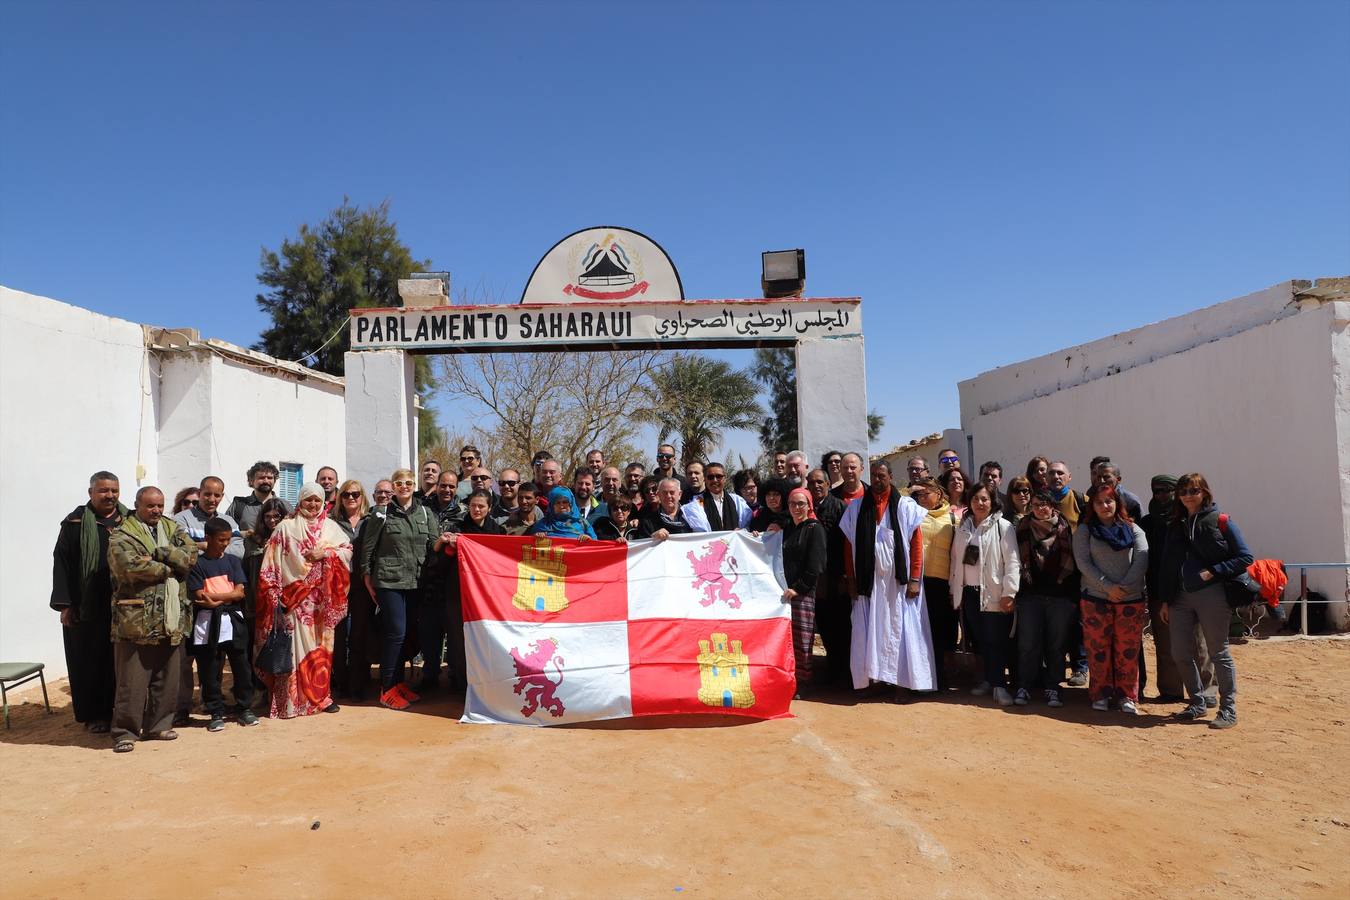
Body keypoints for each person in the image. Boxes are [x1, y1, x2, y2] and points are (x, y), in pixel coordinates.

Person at [107, 486, 198, 752]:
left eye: (159, 505)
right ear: (137, 505)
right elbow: (128, 567)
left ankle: (159, 725)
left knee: (167, 676)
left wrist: (159, 554)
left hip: (170, 617)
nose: (156, 510)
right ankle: (125, 731)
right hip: (136, 618)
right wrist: (172, 566)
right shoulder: (122, 534)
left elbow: (191, 556)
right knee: (132, 680)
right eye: (150, 506)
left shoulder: (172, 528)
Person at [1158, 473, 1252, 729]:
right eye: (1184, 491)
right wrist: (1166, 599)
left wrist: (1214, 570)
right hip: (1179, 596)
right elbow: (1168, 565)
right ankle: (1197, 702)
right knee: (1179, 652)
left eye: (1194, 490)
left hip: (1212, 594)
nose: (1188, 495)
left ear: (1204, 492)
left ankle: (1228, 709)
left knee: (1218, 652)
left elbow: (1245, 557)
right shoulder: (1175, 524)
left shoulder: (1221, 520)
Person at [255, 483, 352, 719]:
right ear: (300, 501)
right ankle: (289, 703)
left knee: (320, 652)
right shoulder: (285, 528)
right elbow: (271, 563)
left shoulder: (331, 528)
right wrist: (274, 594)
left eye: (317, 500)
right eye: (308, 499)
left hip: (322, 603)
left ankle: (320, 698)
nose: (313, 504)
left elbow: (347, 551)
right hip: (292, 601)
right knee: (293, 652)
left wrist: (326, 554)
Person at [838, 461, 933, 699]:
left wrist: (914, 579)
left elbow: (916, 544)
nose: (878, 480)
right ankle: (877, 679)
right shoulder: (857, 508)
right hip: (868, 585)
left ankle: (902, 682)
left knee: (901, 631)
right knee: (872, 631)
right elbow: (849, 546)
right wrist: (851, 578)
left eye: (882, 475)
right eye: (875, 476)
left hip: (898, 585)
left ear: (890, 476)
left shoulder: (905, 506)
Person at [50, 470, 126, 733]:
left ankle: (124, 711)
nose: (110, 495)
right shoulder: (74, 523)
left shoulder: (129, 521)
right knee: (90, 662)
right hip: (87, 606)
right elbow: (62, 565)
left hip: (125, 606)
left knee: (121, 662)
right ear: (91, 493)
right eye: (104, 490)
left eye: (114, 490)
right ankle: (96, 714)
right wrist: (65, 605)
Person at [359, 469, 438, 711]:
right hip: (388, 581)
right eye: (399, 483)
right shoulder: (381, 514)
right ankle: (387, 688)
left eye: (408, 483)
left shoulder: (425, 513)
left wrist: (446, 540)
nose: (404, 486)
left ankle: (399, 683)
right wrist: (366, 576)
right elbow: (368, 548)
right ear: (394, 486)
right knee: (395, 633)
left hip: (415, 581)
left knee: (406, 633)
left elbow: (433, 543)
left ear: (414, 485)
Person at [172, 475, 243, 724]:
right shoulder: (180, 520)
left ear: (222, 496)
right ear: (199, 493)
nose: (212, 499)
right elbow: (178, 551)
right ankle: (181, 707)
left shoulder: (229, 521)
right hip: (187, 600)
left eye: (217, 495)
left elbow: (238, 550)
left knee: (213, 656)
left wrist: (201, 546)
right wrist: (208, 546)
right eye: (207, 494)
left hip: (219, 603)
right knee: (185, 658)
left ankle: (210, 702)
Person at [1073, 484, 1148, 714]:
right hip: (1096, 600)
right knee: (1098, 650)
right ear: (1092, 506)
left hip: (1130, 599)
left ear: (1117, 503)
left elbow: (1142, 558)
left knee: (1127, 650)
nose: (1104, 506)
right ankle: (1101, 694)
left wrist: (1122, 588)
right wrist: (1108, 587)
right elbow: (1083, 563)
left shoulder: (1133, 528)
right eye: (1098, 502)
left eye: (1109, 501)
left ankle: (1127, 696)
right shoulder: (1085, 531)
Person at [948, 482, 1020, 706]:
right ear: (969, 501)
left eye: (985, 499)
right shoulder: (963, 527)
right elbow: (954, 561)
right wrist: (953, 590)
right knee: (980, 641)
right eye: (976, 499)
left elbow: (1013, 562)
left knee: (996, 640)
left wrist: (1010, 592)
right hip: (968, 593)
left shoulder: (1004, 527)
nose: (980, 503)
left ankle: (1000, 685)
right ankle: (989, 680)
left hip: (993, 593)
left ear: (992, 501)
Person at [1139, 474, 1208, 704]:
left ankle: (1206, 691)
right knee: (1165, 643)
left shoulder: (1188, 519)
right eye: (1156, 491)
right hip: (1160, 590)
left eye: (1165, 491)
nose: (1160, 496)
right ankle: (1171, 691)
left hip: (1191, 590)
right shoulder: (1147, 523)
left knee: (1197, 643)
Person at [186, 517, 258, 731]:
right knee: (209, 669)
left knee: (241, 667)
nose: (225, 544)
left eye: (228, 539)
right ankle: (215, 711)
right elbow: (200, 595)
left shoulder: (233, 561)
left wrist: (218, 597)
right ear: (208, 538)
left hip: (233, 622)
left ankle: (244, 708)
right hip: (208, 625)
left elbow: (239, 592)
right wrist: (229, 595)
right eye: (221, 540)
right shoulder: (197, 564)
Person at [1014, 491, 1080, 708]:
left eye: (1044, 504)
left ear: (1053, 506)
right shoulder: (1021, 528)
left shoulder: (1067, 529)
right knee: (1027, 644)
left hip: (1060, 598)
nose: (1040, 508)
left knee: (1056, 645)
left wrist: (1072, 599)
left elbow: (1074, 565)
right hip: (1029, 596)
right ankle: (1024, 686)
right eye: (1035, 504)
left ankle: (1053, 687)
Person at [436, 489, 505, 689]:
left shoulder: (498, 533)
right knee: (458, 638)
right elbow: (440, 563)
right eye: (473, 505)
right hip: (457, 592)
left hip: (486, 595)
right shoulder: (458, 529)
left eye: (481, 506)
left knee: (485, 637)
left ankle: (486, 682)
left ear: (489, 508)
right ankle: (459, 681)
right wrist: (448, 545)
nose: (476, 509)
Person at [909, 476, 959, 692]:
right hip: (920, 583)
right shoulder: (915, 516)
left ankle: (941, 677)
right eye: (918, 494)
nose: (920, 497)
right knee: (920, 634)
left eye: (925, 493)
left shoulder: (953, 518)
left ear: (938, 494)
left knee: (941, 633)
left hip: (943, 583)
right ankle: (921, 679)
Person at [806, 469, 849, 688]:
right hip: (816, 581)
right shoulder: (804, 508)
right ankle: (832, 672)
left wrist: (845, 575)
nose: (816, 486)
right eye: (812, 483)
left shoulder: (840, 507)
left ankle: (845, 674)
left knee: (842, 628)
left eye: (820, 482)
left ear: (828, 484)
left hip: (837, 579)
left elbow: (847, 544)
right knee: (824, 628)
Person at [781, 487, 826, 698]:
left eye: (801, 504)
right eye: (793, 504)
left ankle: (804, 682)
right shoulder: (787, 528)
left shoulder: (814, 528)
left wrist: (798, 589)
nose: (797, 508)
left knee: (802, 639)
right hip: (785, 594)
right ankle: (788, 679)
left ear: (809, 506)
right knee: (787, 639)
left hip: (802, 593)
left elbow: (815, 565)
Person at [330, 481, 371, 700]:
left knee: (359, 634)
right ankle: (341, 682)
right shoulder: (332, 522)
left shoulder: (370, 521)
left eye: (355, 494)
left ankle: (357, 685)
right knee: (339, 634)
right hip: (338, 583)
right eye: (346, 494)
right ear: (340, 498)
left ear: (362, 496)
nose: (351, 498)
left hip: (362, 584)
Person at [241, 498, 287, 687]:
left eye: (276, 516)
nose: (272, 520)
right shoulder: (252, 541)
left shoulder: (290, 539)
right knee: (256, 647)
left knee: (279, 646)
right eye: (267, 516)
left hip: (282, 603)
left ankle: (278, 690)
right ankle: (257, 689)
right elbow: (245, 568)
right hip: (256, 602)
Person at [682, 462, 751, 532]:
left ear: (725, 478)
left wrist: (742, 531)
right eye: (710, 477)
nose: (715, 480)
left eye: (719, 476)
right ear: (705, 479)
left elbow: (748, 526)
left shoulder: (737, 501)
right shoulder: (697, 503)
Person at [227, 461, 289, 536]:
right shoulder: (239, 505)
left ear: (274, 481)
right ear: (251, 481)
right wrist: (241, 534)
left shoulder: (285, 505)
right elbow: (224, 530)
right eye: (261, 478)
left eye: (270, 478)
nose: (266, 481)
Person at [528, 486, 597, 539]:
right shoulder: (542, 525)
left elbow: (596, 548)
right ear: (552, 506)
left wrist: (588, 540)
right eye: (557, 503)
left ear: (571, 504)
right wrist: (536, 537)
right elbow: (529, 547)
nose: (561, 506)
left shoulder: (583, 524)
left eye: (565, 502)